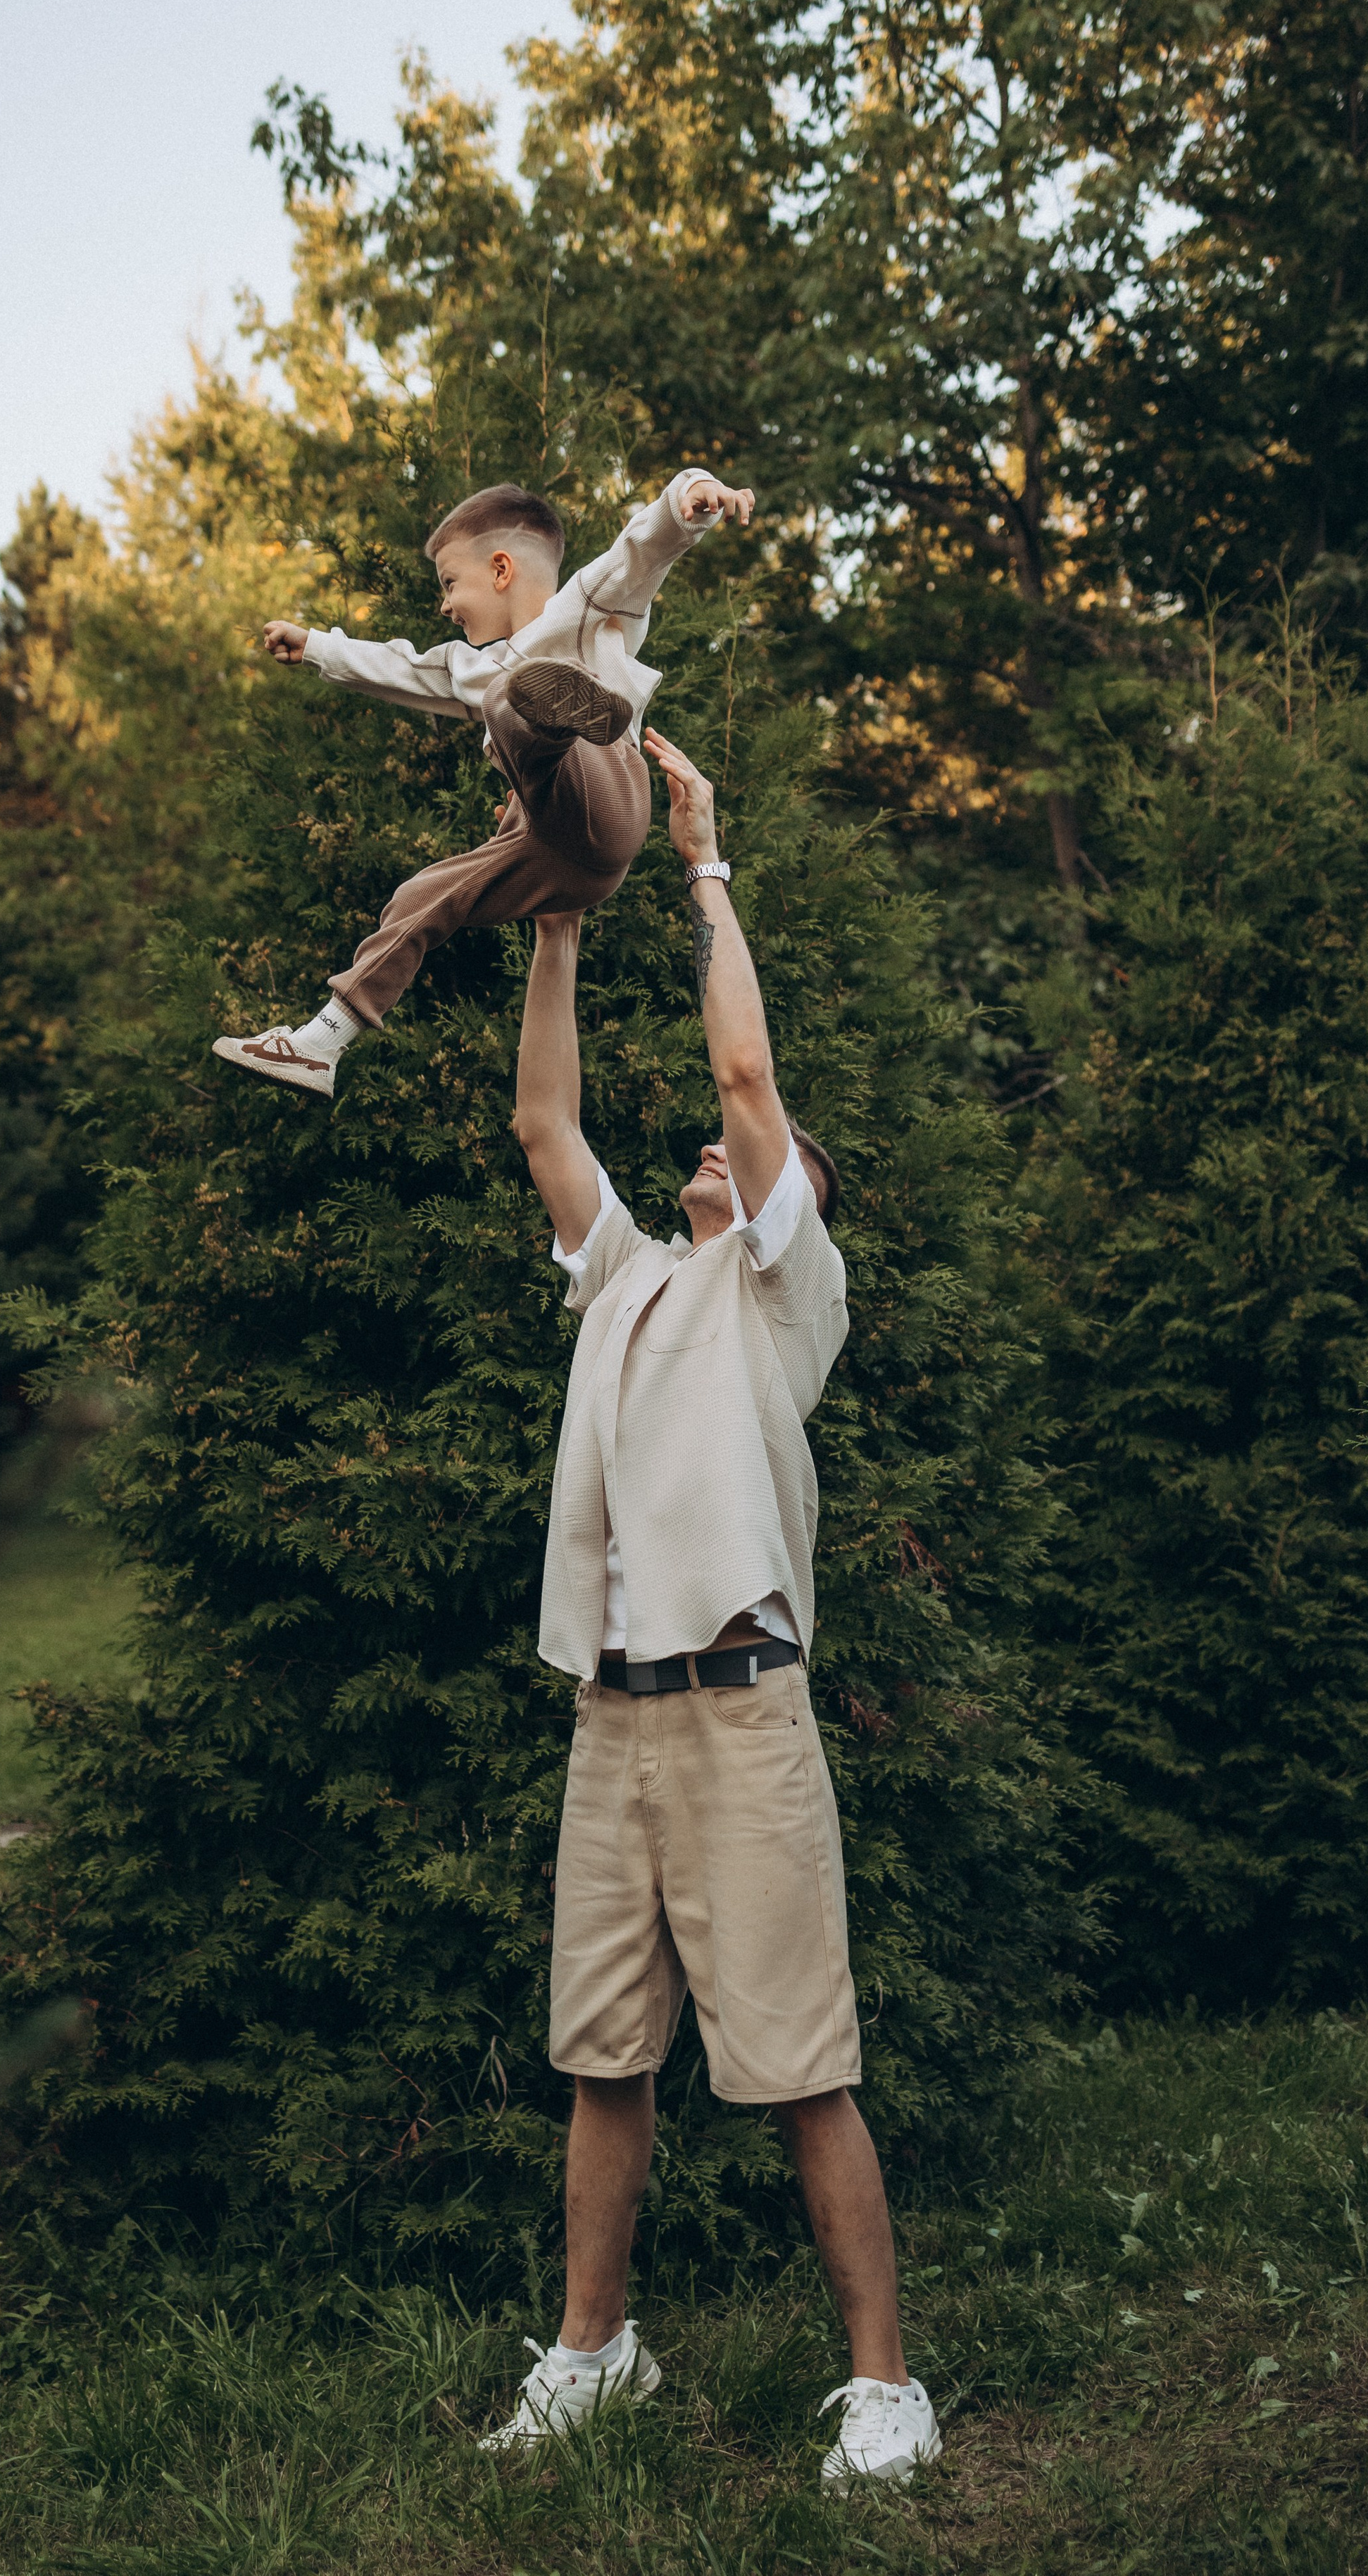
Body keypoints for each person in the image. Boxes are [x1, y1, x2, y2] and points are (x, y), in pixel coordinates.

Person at [485, 728, 943, 2491]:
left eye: (761, 1161)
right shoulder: (625, 1280)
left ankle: (884, 2385)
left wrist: (695, 856)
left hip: (745, 1711)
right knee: (605, 2058)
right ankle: (595, 2350)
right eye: (725, 1157)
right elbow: (543, 1118)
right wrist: (553, 903)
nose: (724, 1152)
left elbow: (745, 1071)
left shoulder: (781, 1293)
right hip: (613, 1715)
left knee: (799, 2064)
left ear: (796, 1209)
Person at [211, 471, 753, 1100]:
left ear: (501, 569)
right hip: (563, 863)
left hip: (611, 797)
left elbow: (639, 551)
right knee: (423, 896)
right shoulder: (472, 668)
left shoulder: (588, 607)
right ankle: (323, 1043)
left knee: (509, 698)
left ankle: (577, 715)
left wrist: (689, 500)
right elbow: (401, 669)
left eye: (450, 584)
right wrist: (317, 648)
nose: (444, 605)